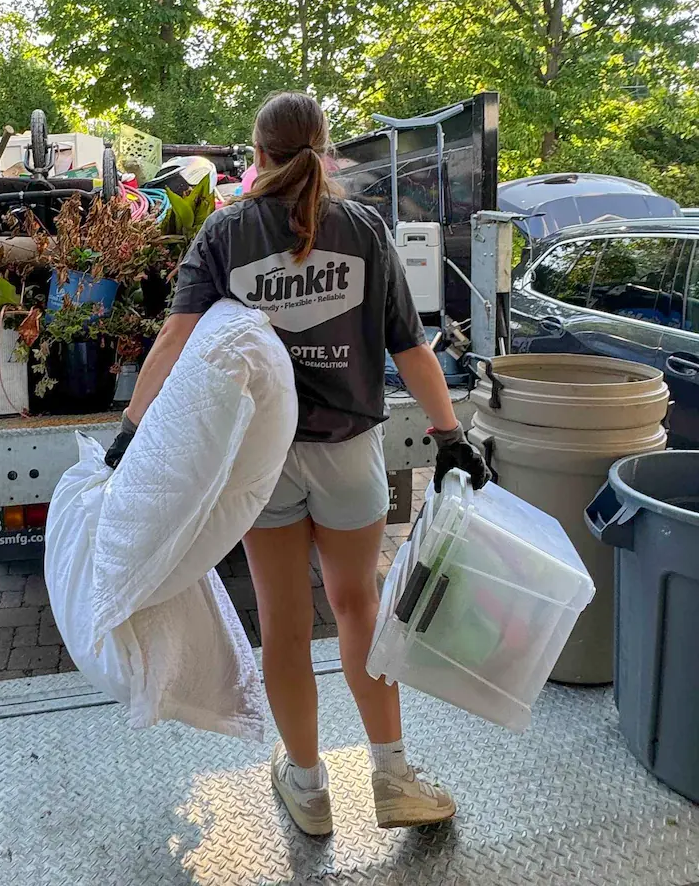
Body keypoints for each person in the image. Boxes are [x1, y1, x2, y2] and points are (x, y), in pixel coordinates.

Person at [105, 91, 489, 835]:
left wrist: (130, 430)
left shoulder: (224, 233)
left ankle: (309, 789)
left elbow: (175, 341)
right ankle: (393, 776)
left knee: (283, 623)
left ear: (256, 154)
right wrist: (450, 437)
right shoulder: (367, 229)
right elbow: (412, 347)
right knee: (360, 610)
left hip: (262, 462)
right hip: (350, 455)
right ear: (325, 148)